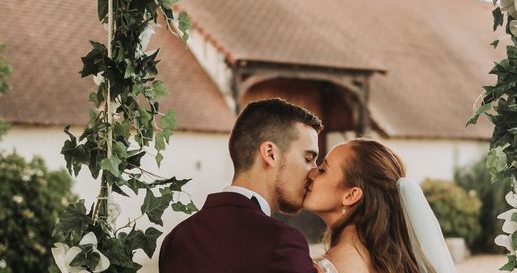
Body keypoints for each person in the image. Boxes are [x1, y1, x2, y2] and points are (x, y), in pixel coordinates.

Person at [159, 98, 323, 273]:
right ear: (270, 154)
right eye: (308, 159)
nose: (314, 172)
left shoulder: (176, 239)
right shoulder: (282, 242)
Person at [304, 138, 456, 273]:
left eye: (322, 170)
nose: (311, 174)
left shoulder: (327, 268)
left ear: (351, 195)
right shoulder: (396, 263)